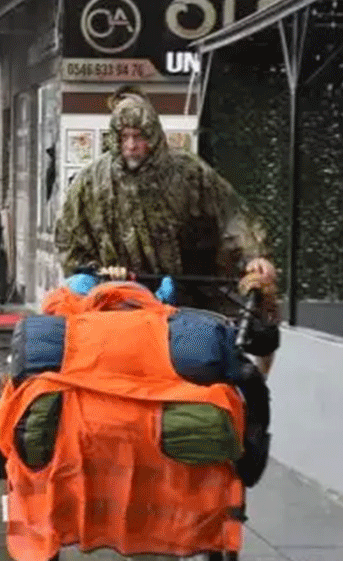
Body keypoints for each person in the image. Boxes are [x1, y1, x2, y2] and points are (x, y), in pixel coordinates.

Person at [55, 86, 280, 370]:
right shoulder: (91, 183)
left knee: (254, 332)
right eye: (124, 137)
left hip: (190, 295)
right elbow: (69, 242)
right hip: (120, 301)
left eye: (139, 137)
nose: (131, 146)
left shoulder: (187, 173)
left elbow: (230, 214)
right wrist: (97, 274)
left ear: (154, 137)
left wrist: (254, 255)